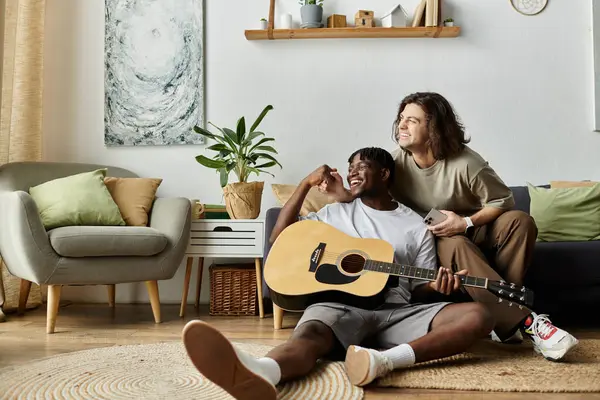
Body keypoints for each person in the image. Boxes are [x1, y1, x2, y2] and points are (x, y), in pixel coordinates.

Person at [182, 147, 494, 400]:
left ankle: (384, 360)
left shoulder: (416, 224)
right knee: (308, 336)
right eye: (349, 168)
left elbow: (418, 288)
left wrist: (440, 288)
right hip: (339, 305)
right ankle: (263, 372)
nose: (351, 173)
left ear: (384, 174)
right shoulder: (334, 213)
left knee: (477, 315)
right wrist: (305, 184)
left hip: (397, 310)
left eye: (360, 167)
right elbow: (280, 238)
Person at [321, 92, 578, 361]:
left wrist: (466, 222)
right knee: (453, 242)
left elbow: (504, 200)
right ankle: (526, 322)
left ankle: (506, 318)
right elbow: (368, 186)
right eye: (401, 119)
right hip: (438, 236)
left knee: (521, 221)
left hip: (473, 226)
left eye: (412, 120)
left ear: (433, 128)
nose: (402, 126)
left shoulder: (467, 162)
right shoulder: (395, 165)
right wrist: (342, 194)